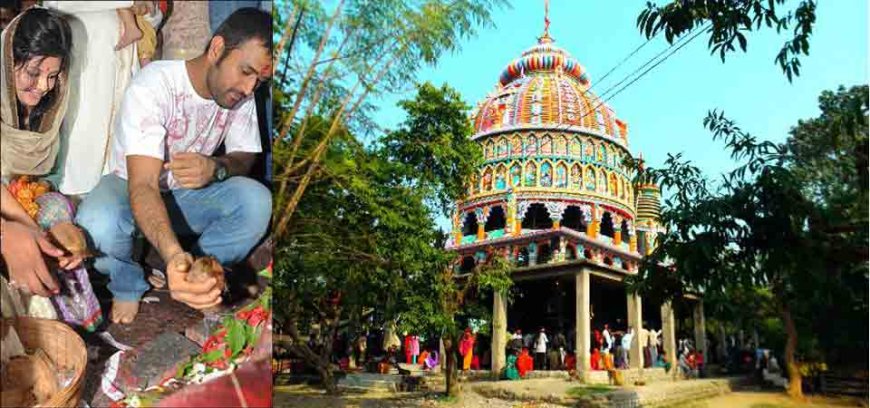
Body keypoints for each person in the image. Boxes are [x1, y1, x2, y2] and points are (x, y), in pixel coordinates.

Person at [76, 8, 272, 324]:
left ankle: (198, 273)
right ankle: (128, 281)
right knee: (98, 224)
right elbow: (142, 186)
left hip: (184, 198)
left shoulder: (241, 96)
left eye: (260, 80)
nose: (249, 89)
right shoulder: (155, 85)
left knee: (257, 201)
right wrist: (173, 256)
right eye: (245, 71)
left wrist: (216, 167)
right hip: (129, 190)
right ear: (217, 48)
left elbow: (244, 157)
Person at [1, 8, 81, 300]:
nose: (44, 86)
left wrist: (60, 230)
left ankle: (52, 322)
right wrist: (18, 229)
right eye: (34, 73)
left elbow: (47, 180)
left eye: (52, 75)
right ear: (9, 63)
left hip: (21, 202)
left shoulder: (44, 111)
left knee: (58, 213)